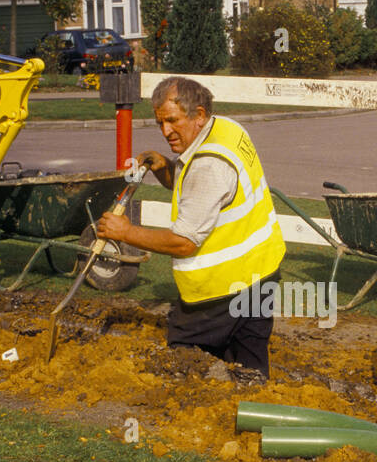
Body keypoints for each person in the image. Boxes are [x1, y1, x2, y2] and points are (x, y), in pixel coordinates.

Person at [95, 76, 286, 377]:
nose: (165, 132)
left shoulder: (208, 164)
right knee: (248, 367)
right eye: (160, 123)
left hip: (220, 291)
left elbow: (184, 242)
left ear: (198, 115)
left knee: (182, 363)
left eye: (172, 121)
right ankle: (250, 411)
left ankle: (191, 415)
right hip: (262, 273)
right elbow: (206, 196)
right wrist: (165, 168)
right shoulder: (226, 129)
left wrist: (125, 232)